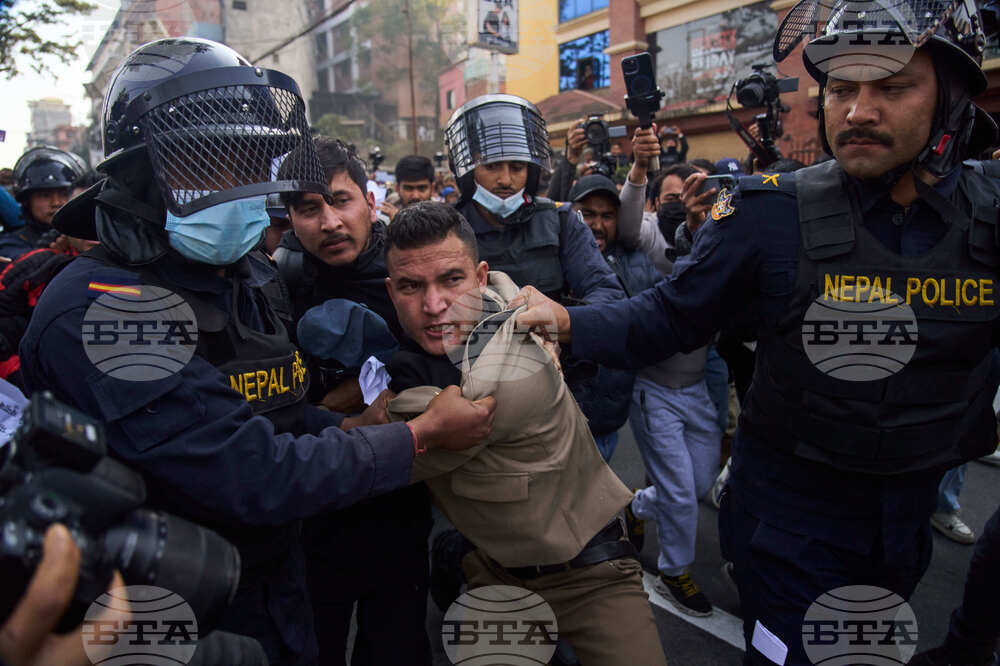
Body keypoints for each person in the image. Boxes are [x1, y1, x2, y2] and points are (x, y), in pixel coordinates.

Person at [512, 3, 1000, 664]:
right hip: (789, 521)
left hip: (902, 525)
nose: (858, 111)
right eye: (841, 89)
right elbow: (668, 317)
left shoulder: (990, 216)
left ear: (951, 99)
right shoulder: (769, 212)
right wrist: (569, 321)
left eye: (892, 87)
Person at [17, 38, 494, 666]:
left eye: (252, 163)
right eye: (211, 164)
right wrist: (416, 438)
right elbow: (249, 469)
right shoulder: (104, 310)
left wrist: (344, 426)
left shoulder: (248, 274)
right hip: (166, 610)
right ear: (143, 176)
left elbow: (277, 409)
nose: (243, 187)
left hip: (277, 581)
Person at [383, 201, 668, 666]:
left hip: (592, 577)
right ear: (390, 291)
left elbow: (379, 449)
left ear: (480, 276)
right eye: (411, 286)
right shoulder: (505, 295)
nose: (434, 306)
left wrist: (355, 403)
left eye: (451, 280)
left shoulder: (510, 369)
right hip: (495, 570)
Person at [273, 136, 433, 665]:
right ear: (291, 218)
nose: (329, 223)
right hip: (313, 505)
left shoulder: (412, 266)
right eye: (309, 209)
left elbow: (449, 349)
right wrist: (337, 415)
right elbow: (266, 406)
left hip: (401, 496)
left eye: (340, 201)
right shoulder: (275, 285)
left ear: (369, 199)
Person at [444, 95, 625, 443]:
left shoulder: (561, 220)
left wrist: (560, 325)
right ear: (467, 170)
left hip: (565, 396)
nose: (506, 180)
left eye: (517, 166)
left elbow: (607, 293)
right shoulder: (446, 228)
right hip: (476, 402)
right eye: (491, 166)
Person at [0, 146, 88, 260]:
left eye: (64, 194)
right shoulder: (9, 246)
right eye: (44, 195)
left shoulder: (90, 237)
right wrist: (46, 256)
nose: (56, 203)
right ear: (27, 201)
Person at [379, 154, 435, 222]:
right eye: (408, 188)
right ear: (397, 189)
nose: (415, 196)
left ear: (432, 188)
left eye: (422, 188)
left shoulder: (443, 217)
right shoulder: (388, 211)